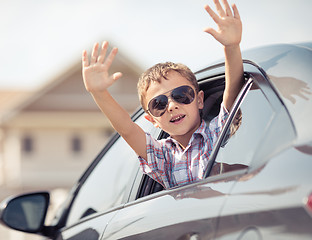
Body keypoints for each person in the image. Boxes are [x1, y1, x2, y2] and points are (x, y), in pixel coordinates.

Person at [81, 0, 244, 189]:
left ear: (199, 100)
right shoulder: (163, 157)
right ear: (152, 121)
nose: (172, 106)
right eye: (158, 104)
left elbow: (233, 93)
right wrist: (98, 92)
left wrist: (231, 47)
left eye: (181, 94)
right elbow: (127, 129)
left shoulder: (215, 133)